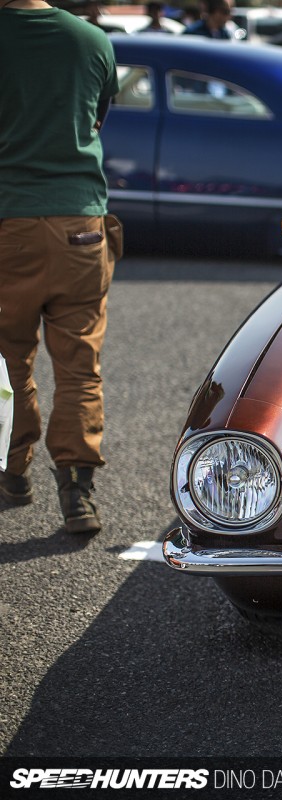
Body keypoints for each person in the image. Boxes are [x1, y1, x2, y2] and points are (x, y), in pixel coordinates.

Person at [0, 0, 121, 533]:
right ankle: (77, 493)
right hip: (80, 224)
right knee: (78, 364)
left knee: (7, 360)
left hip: (8, 221)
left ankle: (12, 471)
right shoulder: (91, 40)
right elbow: (96, 117)